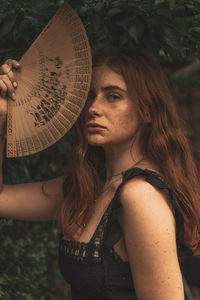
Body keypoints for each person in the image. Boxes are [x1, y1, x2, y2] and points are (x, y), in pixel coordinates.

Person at [0, 49, 200, 300]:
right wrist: (2, 116)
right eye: (90, 96)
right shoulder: (90, 187)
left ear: (147, 110)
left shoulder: (141, 196)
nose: (93, 108)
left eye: (113, 96)